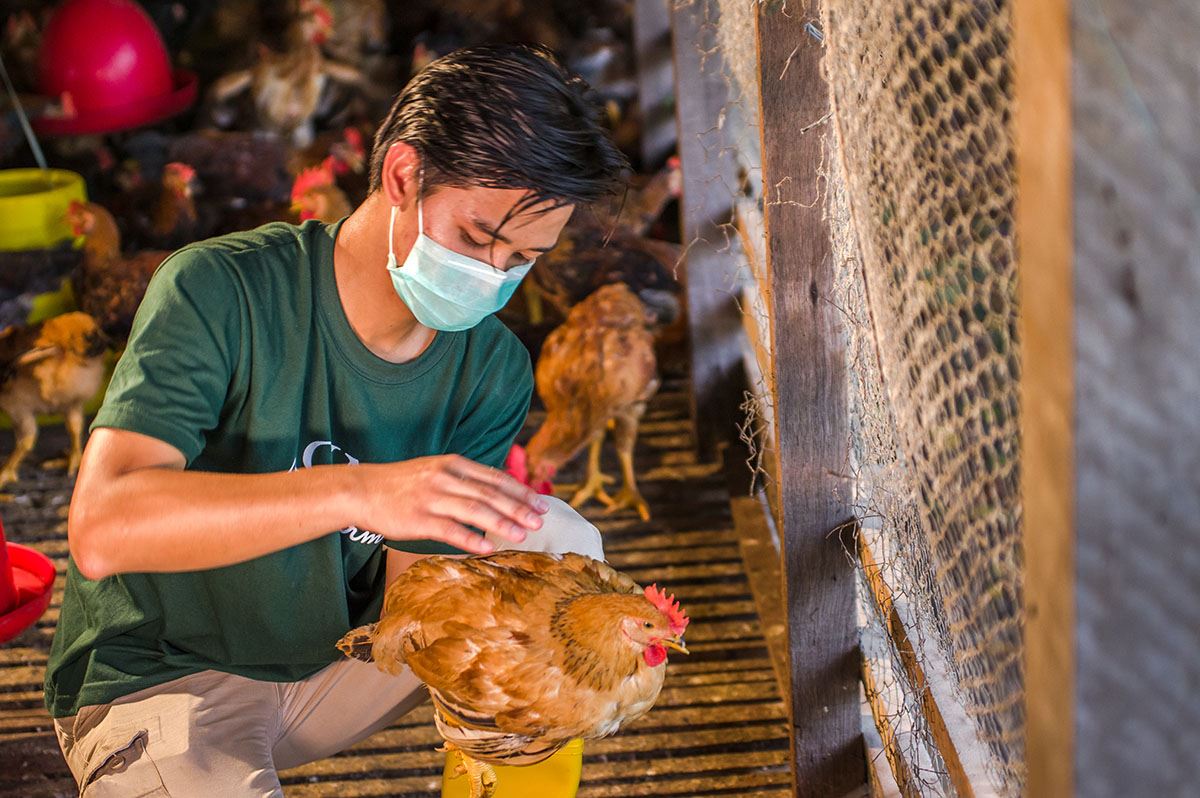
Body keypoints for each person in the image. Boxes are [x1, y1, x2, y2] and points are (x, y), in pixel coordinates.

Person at [44, 44, 627, 796]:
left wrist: (536, 668)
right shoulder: (219, 288)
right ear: (402, 175)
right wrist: (360, 493)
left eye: (522, 257)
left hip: (336, 663)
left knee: (561, 547)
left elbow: (413, 606)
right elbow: (102, 529)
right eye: (479, 238)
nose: (493, 276)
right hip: (163, 679)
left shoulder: (490, 367)